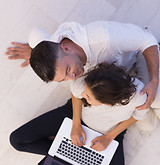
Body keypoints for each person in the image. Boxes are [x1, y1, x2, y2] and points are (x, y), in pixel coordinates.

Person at [10, 62, 150, 165]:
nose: (83, 94)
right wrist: (76, 125)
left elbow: (137, 116)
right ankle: (67, 152)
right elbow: (76, 95)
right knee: (17, 140)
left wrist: (109, 137)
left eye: (88, 97)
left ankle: (79, 157)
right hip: (75, 115)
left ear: (107, 104)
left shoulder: (139, 97)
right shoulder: (88, 79)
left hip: (110, 132)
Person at [5, 21, 159, 110]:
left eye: (68, 70)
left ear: (65, 47)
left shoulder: (105, 39)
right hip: (108, 74)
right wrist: (34, 53)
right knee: (77, 90)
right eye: (63, 78)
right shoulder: (52, 45)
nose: (72, 76)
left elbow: (147, 41)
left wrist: (154, 80)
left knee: (154, 100)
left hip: (136, 55)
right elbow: (36, 33)